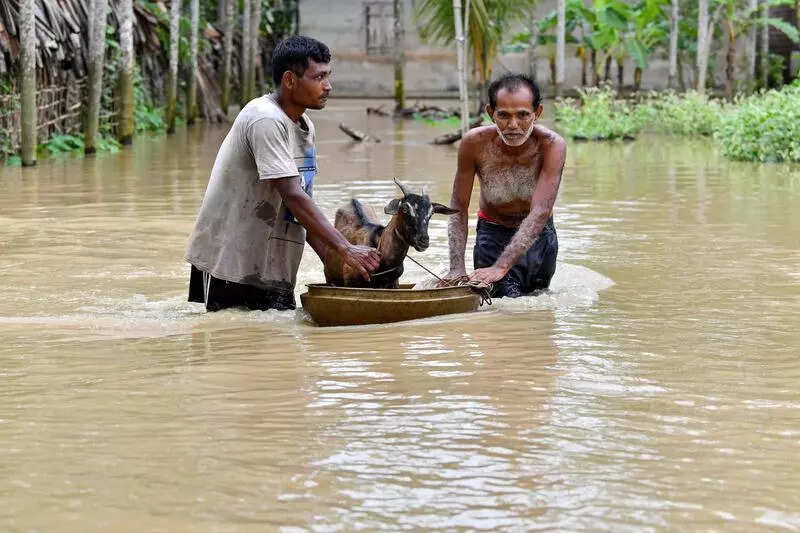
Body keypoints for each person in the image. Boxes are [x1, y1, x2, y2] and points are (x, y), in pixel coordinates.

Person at [185, 36, 380, 311]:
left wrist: (333, 261)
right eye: (319, 77)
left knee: (271, 344)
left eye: (328, 76)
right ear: (289, 80)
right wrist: (346, 249)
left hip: (271, 264)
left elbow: (301, 207)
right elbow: (292, 195)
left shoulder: (303, 125)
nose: (328, 86)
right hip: (230, 261)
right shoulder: (265, 119)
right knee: (232, 344)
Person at [446, 73, 566, 298]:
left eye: (523, 115)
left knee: (537, 309)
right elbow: (458, 207)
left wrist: (501, 267)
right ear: (490, 113)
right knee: (499, 307)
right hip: (492, 234)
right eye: (503, 115)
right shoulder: (474, 143)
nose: (513, 125)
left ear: (537, 113)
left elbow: (540, 212)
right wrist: (456, 267)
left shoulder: (551, 145)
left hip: (540, 236)